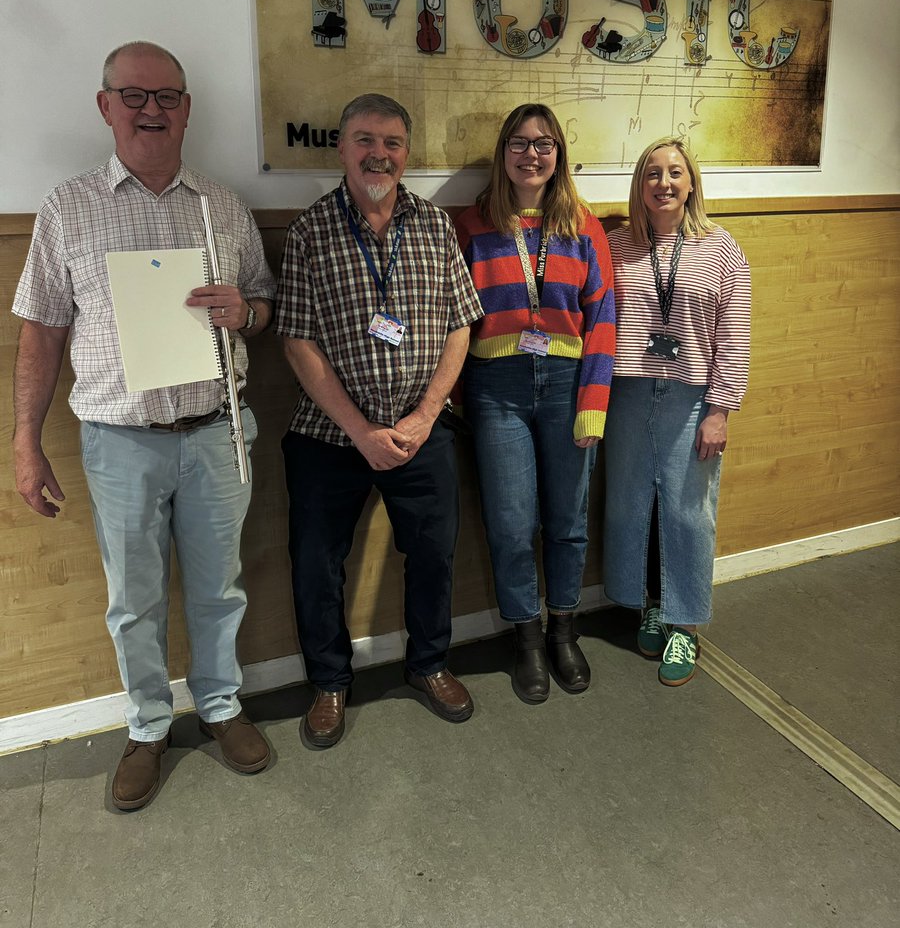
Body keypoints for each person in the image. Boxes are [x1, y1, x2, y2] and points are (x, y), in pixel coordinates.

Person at [12, 41, 276, 809]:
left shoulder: (222, 205)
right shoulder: (69, 207)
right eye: (134, 96)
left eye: (167, 97)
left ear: (188, 109)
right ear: (106, 106)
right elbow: (41, 331)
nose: (151, 110)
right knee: (133, 597)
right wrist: (24, 442)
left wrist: (247, 312)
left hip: (217, 433)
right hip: (120, 441)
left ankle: (221, 707)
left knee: (220, 589)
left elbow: (263, 301)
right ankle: (149, 724)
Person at [276, 93, 483, 748]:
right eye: (365, 139)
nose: (379, 154)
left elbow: (460, 326)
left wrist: (425, 416)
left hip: (421, 429)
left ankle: (429, 663)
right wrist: (361, 431)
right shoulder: (311, 232)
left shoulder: (434, 226)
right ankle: (330, 683)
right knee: (315, 561)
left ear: (407, 154)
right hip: (330, 435)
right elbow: (297, 342)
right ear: (341, 147)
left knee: (432, 553)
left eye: (392, 143)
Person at [455, 104, 616, 703]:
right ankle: (525, 636)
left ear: (559, 155)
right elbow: (453, 320)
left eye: (544, 144)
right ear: (503, 153)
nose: (532, 154)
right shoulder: (472, 225)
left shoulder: (583, 227)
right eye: (520, 143)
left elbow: (604, 318)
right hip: (497, 390)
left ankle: (564, 627)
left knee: (569, 521)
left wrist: (593, 400)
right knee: (512, 524)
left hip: (569, 385)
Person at [602, 137, 750, 686]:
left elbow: (733, 335)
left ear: (691, 184)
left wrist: (721, 409)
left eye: (674, 173)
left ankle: (684, 622)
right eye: (652, 174)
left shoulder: (721, 249)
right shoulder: (616, 247)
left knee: (688, 512)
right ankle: (649, 603)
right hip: (628, 392)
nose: (663, 184)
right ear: (640, 187)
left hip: (691, 397)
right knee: (629, 505)